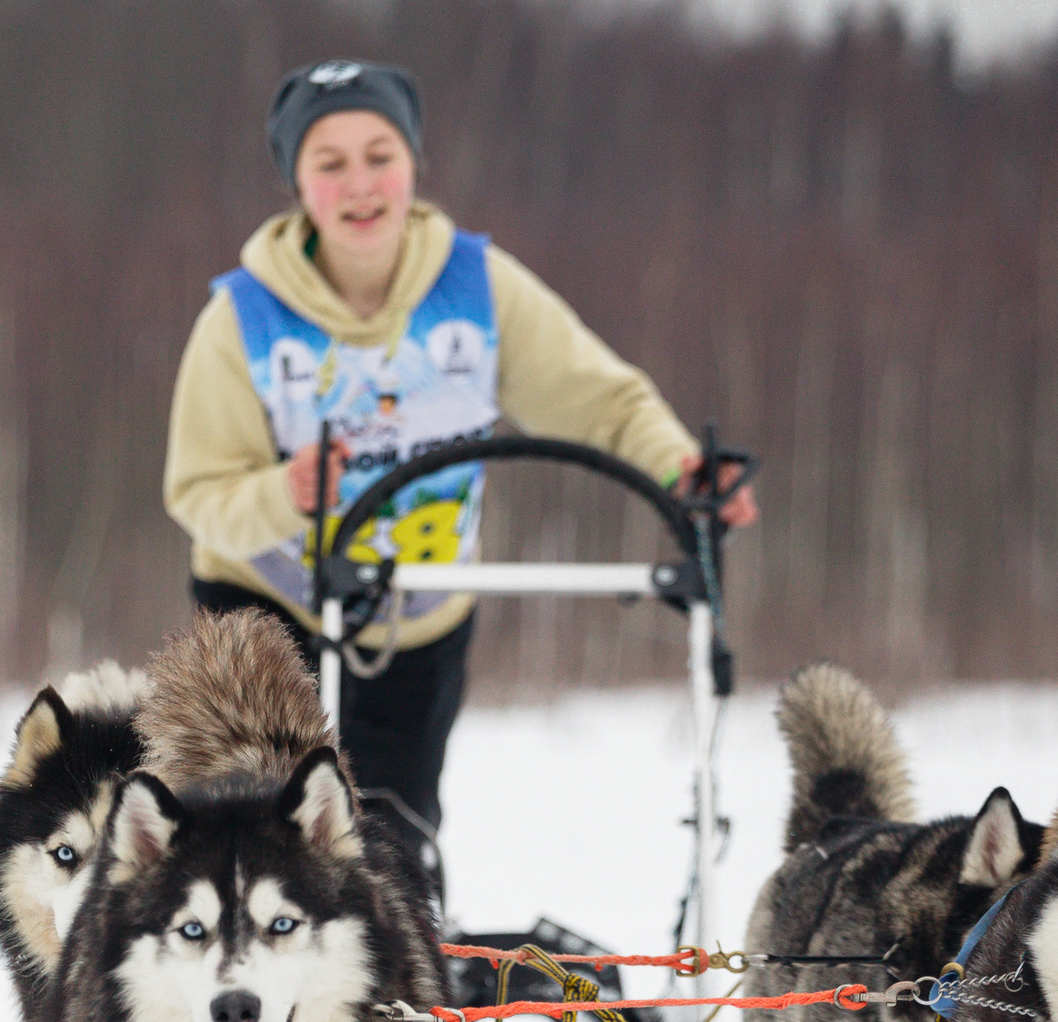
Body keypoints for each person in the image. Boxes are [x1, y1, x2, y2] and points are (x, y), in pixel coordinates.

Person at [163, 58, 756, 872]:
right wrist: (286, 491)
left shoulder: (477, 287)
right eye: (329, 164)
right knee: (246, 858)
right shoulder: (242, 318)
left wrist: (680, 470)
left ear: (414, 164)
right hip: (264, 619)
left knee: (389, 850)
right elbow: (197, 493)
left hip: (418, 617)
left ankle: (397, 985)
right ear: (297, 183)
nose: (360, 184)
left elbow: (599, 401)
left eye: (380, 155)